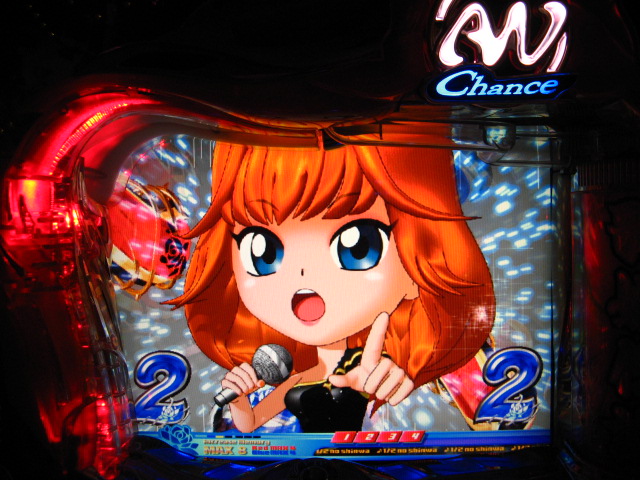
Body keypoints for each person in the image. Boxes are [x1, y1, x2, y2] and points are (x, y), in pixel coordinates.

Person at [168, 143, 495, 433]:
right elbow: (250, 423)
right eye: (263, 251)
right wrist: (239, 398)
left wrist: (393, 377)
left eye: (359, 246)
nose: (302, 273)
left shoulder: (372, 365)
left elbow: (384, 391)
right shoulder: (301, 374)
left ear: (416, 267)